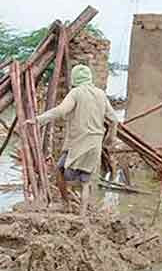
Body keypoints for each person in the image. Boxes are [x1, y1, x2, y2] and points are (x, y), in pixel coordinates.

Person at [24, 64, 120, 216]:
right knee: (86, 182)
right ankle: (82, 215)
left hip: (78, 143)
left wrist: (38, 120)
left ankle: (66, 203)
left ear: (75, 78)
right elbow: (114, 120)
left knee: (59, 170)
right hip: (95, 144)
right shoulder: (101, 94)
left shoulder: (76, 93)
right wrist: (110, 139)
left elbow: (61, 110)